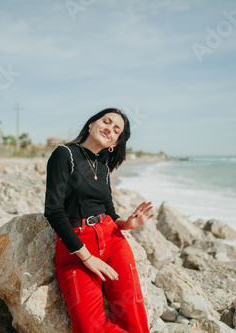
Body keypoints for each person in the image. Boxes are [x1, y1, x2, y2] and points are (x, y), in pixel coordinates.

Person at [44, 108, 154, 333]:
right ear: (91, 124)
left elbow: (110, 212)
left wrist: (127, 224)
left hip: (113, 241)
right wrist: (87, 258)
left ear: (114, 142)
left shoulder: (103, 169)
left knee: (134, 318)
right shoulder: (64, 153)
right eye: (107, 122)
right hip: (75, 249)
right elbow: (54, 211)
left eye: (116, 130)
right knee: (89, 327)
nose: (110, 130)